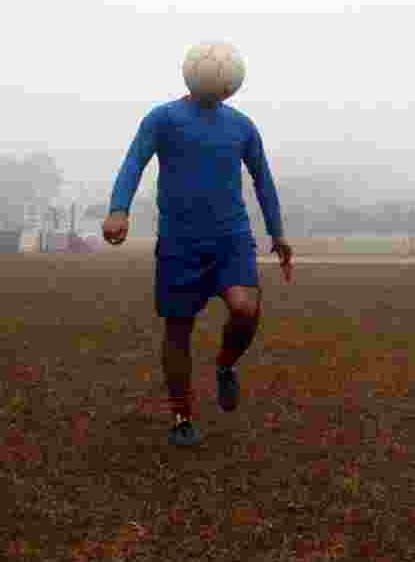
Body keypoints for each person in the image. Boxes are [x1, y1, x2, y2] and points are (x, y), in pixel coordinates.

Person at [103, 90, 293, 447]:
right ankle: (182, 417)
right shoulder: (163, 118)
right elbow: (134, 162)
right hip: (180, 243)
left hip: (231, 239)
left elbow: (263, 180)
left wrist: (277, 233)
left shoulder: (242, 126)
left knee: (245, 308)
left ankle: (224, 365)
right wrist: (118, 209)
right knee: (178, 329)